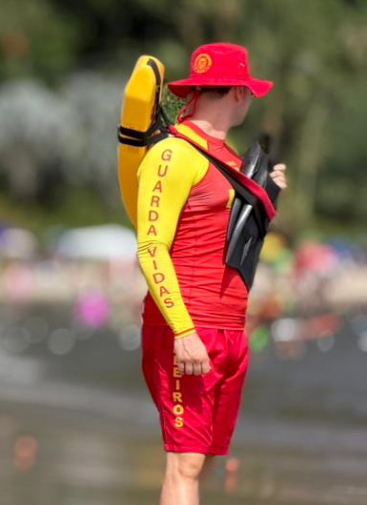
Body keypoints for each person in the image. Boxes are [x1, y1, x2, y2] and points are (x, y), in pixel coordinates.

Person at [135, 43, 288, 505]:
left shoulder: (230, 160)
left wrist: (267, 196)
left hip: (229, 327)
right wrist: (183, 331)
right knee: (185, 462)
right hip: (187, 324)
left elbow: (231, 240)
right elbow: (150, 247)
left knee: (205, 456)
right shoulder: (171, 154)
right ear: (239, 93)